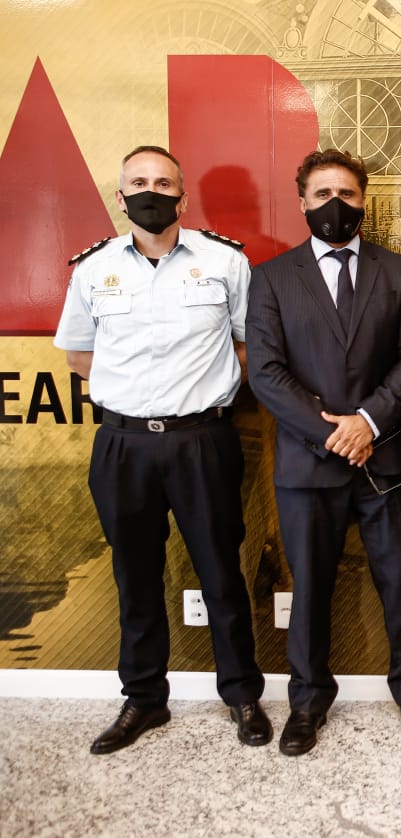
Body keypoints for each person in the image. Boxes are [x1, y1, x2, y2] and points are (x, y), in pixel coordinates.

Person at [53, 145, 269, 754]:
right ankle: (145, 698)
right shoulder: (93, 269)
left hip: (202, 440)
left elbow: (248, 347)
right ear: (121, 197)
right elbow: (78, 356)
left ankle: (242, 695)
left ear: (182, 195)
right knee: (136, 576)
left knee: (222, 574)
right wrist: (136, 395)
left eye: (164, 182)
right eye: (139, 182)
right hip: (122, 444)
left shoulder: (225, 262)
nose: (153, 191)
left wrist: (197, 393)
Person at [246, 149, 401, 756]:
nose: (336, 204)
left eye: (347, 194)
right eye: (323, 194)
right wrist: (333, 432)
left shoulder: (398, 271)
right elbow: (267, 372)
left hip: (386, 459)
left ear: (363, 201)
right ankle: (307, 703)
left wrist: (368, 422)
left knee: (400, 584)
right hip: (309, 463)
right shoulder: (272, 278)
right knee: (310, 590)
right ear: (302, 201)